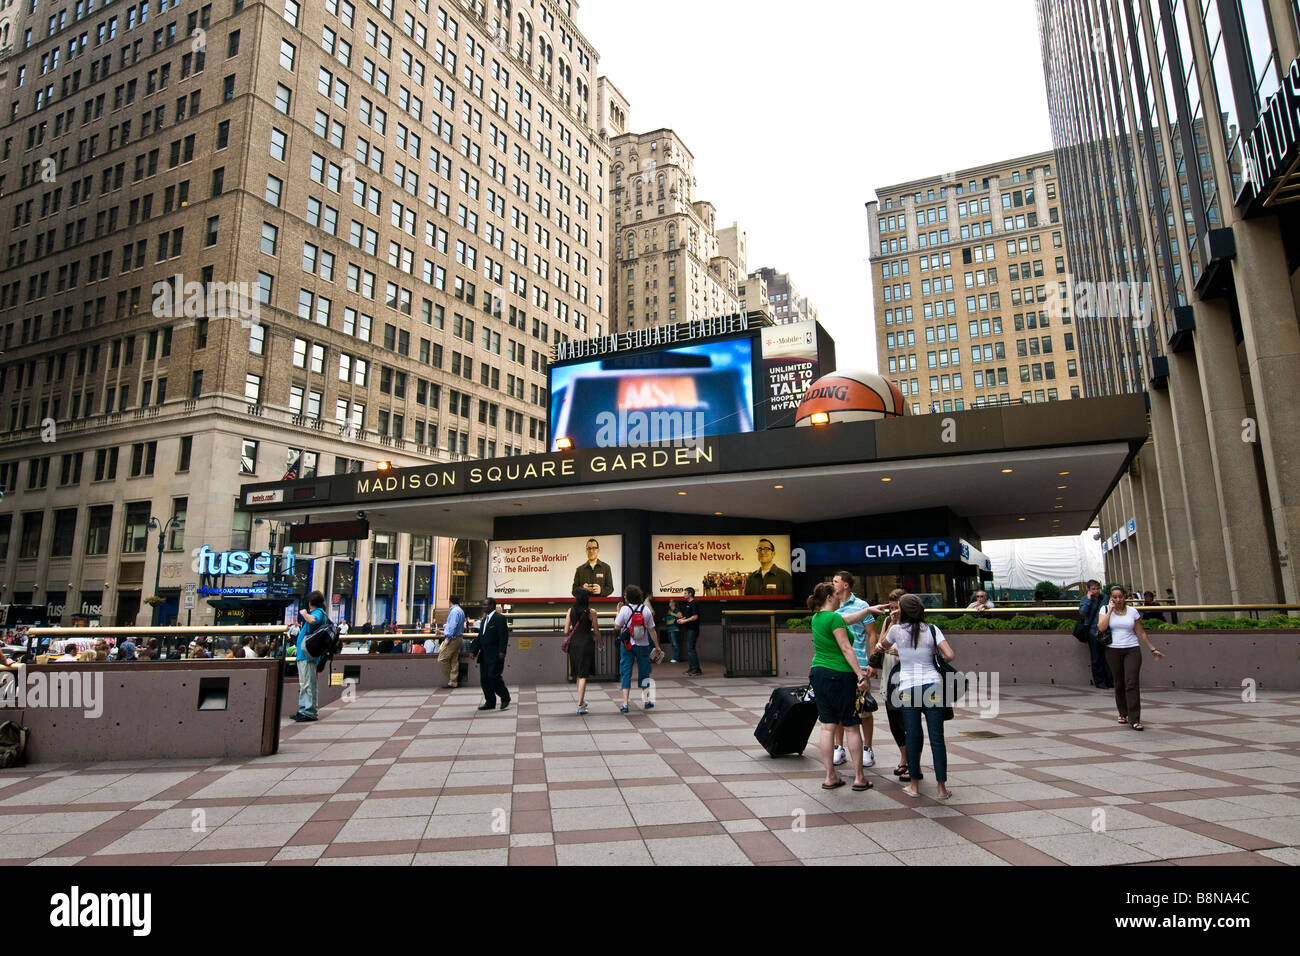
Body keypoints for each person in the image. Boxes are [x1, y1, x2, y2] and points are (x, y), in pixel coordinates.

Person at [877, 593, 953, 799]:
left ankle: (914, 786)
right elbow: (950, 655)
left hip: (908, 687)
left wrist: (893, 622)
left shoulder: (896, 630)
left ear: (903, 610)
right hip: (933, 686)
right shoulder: (933, 630)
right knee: (937, 738)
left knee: (912, 735)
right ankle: (941, 789)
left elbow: (881, 645)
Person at [806, 581, 877, 792]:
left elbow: (846, 619)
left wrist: (867, 610)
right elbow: (846, 648)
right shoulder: (834, 617)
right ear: (829, 597)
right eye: (836, 595)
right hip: (840, 674)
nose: (839, 598)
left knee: (827, 726)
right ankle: (859, 778)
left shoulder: (818, 618)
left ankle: (830, 777)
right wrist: (860, 675)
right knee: (851, 726)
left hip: (818, 673)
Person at [829, 572, 889, 769]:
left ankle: (867, 748)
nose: (833, 584)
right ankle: (839, 747)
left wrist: (872, 661)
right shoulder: (832, 607)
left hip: (860, 664)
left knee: (863, 708)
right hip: (838, 664)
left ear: (846, 585)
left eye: (835, 581)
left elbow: (872, 634)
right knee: (838, 708)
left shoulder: (862, 606)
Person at [1097, 586, 1165, 731]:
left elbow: (1140, 632)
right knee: (1119, 682)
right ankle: (1123, 712)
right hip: (1113, 650)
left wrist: (1153, 648)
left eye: (1120, 596)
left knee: (1131, 682)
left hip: (1132, 649)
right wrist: (1110, 610)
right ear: (1110, 598)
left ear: (1125, 597)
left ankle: (1134, 719)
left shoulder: (1133, 611)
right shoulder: (1104, 609)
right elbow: (1101, 628)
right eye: (1114, 597)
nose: (1118, 599)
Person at [614, 585, 663, 713]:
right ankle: (646, 701)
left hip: (627, 645)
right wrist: (657, 646)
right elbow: (652, 630)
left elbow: (617, 626)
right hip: (643, 645)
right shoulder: (645, 610)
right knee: (644, 672)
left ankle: (625, 703)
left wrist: (618, 612)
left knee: (626, 672)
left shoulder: (624, 609)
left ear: (628, 597)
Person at [564, 587, 600, 714]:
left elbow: (566, 631)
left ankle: (582, 700)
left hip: (574, 644)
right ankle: (580, 703)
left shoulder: (570, 610)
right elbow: (596, 630)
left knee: (579, 672)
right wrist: (600, 643)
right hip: (586, 643)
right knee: (584, 673)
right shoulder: (592, 612)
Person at [293, 591, 327, 722]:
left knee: (306, 683)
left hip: (307, 655)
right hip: (305, 653)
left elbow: (313, 620)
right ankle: (305, 710)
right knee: (306, 683)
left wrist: (304, 613)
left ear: (310, 602)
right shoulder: (319, 612)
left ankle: (308, 711)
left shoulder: (317, 612)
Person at [474, 597, 511, 711]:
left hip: (495, 654)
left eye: (485, 605)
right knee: (484, 679)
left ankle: (505, 697)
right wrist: (473, 650)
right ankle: (490, 701)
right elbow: (481, 637)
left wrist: (502, 651)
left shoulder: (499, 618)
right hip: (484, 655)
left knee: (493, 676)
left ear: (492, 606)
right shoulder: (484, 620)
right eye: (483, 605)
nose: (483, 607)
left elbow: (503, 636)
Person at [1078, 580, 1112, 689]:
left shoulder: (1105, 598)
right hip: (1092, 632)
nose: (1096, 591)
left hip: (1104, 630)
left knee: (1104, 657)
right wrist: (1089, 599)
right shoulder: (1085, 599)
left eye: (1097, 588)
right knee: (1096, 658)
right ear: (1089, 590)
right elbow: (1082, 612)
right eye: (1093, 589)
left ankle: (1109, 680)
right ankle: (1099, 681)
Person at [439, 596, 466, 688]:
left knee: (442, 659)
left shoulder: (454, 611)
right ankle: (453, 681)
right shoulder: (460, 611)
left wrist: (448, 637)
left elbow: (453, 626)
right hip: (458, 637)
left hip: (452, 638)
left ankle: (452, 678)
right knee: (454, 660)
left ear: (450, 601)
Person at [677, 586, 702, 676]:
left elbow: (695, 616)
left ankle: (696, 669)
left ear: (690, 594)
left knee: (691, 649)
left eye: (685, 593)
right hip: (688, 629)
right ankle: (692, 668)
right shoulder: (688, 604)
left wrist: (684, 621)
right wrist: (682, 619)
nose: (684, 595)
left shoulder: (694, 603)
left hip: (693, 629)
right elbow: (688, 616)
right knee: (689, 649)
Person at [664, 598, 682, 662]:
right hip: (669, 629)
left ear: (674, 603)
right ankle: (675, 657)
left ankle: (677, 658)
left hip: (674, 629)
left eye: (671, 602)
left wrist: (673, 614)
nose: (670, 603)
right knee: (672, 644)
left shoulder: (676, 610)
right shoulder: (669, 610)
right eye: (669, 602)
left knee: (675, 644)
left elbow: (680, 616)